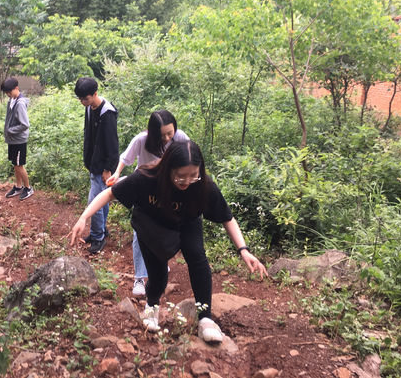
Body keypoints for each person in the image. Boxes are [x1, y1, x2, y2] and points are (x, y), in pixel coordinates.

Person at [69, 140, 267, 342]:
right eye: (181, 175)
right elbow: (109, 193)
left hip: (187, 223)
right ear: (168, 168)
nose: (187, 181)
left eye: (193, 175)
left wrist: (243, 250)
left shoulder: (203, 186)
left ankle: (205, 319)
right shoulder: (146, 178)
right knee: (158, 275)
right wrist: (84, 218)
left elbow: (227, 218)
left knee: (198, 260)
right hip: (152, 224)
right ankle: (152, 306)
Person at [106, 110, 190, 298]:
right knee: (140, 232)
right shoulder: (141, 140)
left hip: (168, 192)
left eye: (170, 133)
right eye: (162, 135)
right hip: (144, 190)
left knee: (163, 229)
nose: (167, 138)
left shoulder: (180, 138)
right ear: (152, 132)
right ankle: (139, 278)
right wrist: (117, 174)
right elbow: (125, 158)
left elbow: (190, 157)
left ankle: (159, 264)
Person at [74, 77, 119, 254]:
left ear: (95, 94)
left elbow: (112, 144)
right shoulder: (89, 108)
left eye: (85, 98)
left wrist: (108, 169)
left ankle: (98, 237)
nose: (82, 102)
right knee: (102, 199)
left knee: (94, 201)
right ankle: (101, 230)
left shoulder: (107, 113)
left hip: (103, 166)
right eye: (80, 99)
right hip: (93, 162)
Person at [1, 77, 34, 200]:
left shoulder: (19, 103)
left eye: (9, 92)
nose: (8, 95)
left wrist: (10, 130)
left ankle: (28, 188)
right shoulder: (12, 100)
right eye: (6, 93)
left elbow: (25, 124)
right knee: (15, 164)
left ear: (16, 88)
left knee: (19, 165)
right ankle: (19, 186)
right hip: (13, 140)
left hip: (19, 140)